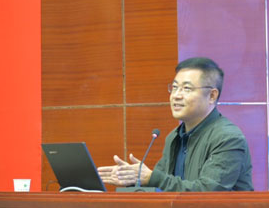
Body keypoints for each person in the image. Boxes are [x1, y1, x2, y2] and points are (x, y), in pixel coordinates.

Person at [98, 57, 253, 191]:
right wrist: (133, 180)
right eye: (174, 87)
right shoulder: (174, 136)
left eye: (186, 88)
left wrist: (151, 177)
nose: (176, 95)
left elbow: (207, 192)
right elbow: (161, 187)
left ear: (212, 96)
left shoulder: (227, 138)